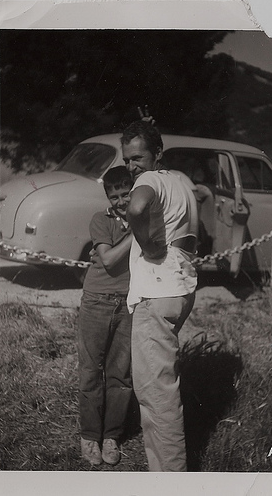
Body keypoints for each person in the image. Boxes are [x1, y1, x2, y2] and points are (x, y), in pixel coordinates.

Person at [121, 120, 199, 472]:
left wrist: (146, 240)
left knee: (157, 396)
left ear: (157, 154)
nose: (132, 166)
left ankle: (169, 480)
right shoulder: (180, 181)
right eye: (127, 160)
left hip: (156, 295)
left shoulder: (148, 181)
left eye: (138, 157)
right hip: (180, 289)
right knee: (160, 385)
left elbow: (136, 208)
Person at [78, 166, 134, 467]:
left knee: (121, 375)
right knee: (90, 371)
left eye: (127, 194)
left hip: (128, 304)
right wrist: (136, 232)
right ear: (108, 197)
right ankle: (90, 436)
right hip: (97, 302)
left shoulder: (143, 218)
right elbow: (110, 259)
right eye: (115, 196)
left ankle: (112, 436)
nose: (122, 201)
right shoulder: (101, 219)